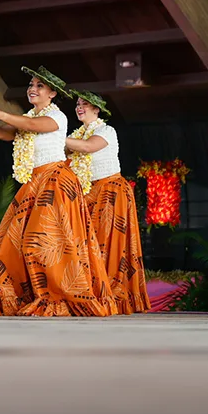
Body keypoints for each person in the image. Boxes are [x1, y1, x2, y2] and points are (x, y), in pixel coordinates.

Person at [0, 66, 115, 317]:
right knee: (10, 243)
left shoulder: (56, 118)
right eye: (31, 85)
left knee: (43, 242)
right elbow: (8, 134)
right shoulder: (29, 117)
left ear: (52, 94)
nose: (32, 89)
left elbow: (28, 124)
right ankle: (30, 295)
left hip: (55, 182)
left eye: (39, 86)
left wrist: (1, 113)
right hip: (33, 184)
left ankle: (57, 296)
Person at [64, 90, 147, 314]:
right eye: (77, 104)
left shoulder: (106, 130)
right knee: (89, 247)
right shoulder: (77, 135)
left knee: (109, 246)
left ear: (96, 109)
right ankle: (93, 294)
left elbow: (89, 147)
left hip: (111, 192)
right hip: (88, 195)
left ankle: (113, 296)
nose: (79, 107)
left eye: (84, 104)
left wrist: (56, 138)